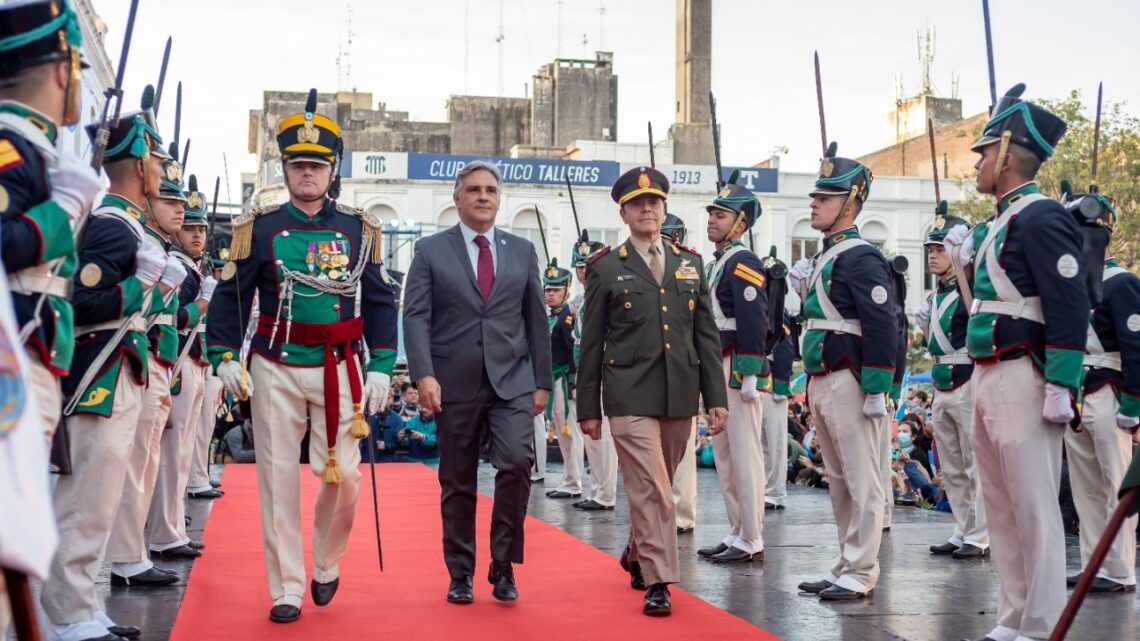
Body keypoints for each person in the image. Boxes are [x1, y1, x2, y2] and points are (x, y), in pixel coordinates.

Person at [206, 89, 399, 623]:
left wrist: (382, 366)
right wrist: (224, 354)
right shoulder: (260, 227)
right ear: (285, 168)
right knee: (277, 480)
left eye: (316, 165)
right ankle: (287, 586)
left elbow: (380, 301)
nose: (307, 173)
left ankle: (326, 561)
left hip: (341, 364)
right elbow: (231, 295)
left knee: (345, 477)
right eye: (298, 164)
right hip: (275, 363)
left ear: (332, 170)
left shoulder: (359, 228)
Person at [948, 84, 1081, 641]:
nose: (977, 163)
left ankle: (1043, 622)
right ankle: (1014, 613)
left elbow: (1069, 302)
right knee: (1001, 506)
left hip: (1023, 373)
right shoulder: (999, 223)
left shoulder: (1043, 216)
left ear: (1006, 154)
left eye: (983, 152)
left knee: (1033, 506)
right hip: (987, 371)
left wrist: (1062, 382)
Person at [45, 88, 169, 641]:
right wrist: (138, 286)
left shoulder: (128, 225)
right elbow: (81, 299)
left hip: (122, 366)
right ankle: (64, 611)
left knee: (101, 495)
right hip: (101, 369)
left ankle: (78, 605)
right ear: (139, 164)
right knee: (85, 497)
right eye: (157, 159)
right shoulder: (114, 225)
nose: (161, 170)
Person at [577, 166, 728, 616]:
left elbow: (706, 336)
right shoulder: (605, 267)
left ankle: (637, 550)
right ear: (623, 213)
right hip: (627, 393)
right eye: (637, 203)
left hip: (679, 392)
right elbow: (591, 344)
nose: (647, 209)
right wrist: (588, 407)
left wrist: (715, 398)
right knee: (655, 487)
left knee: (657, 484)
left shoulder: (690, 263)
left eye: (654, 202)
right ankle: (659, 580)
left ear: (663, 209)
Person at [402, 160, 552, 605]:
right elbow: (415, 316)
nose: (483, 196)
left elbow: (536, 319)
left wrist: (542, 381)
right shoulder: (430, 250)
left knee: (517, 463)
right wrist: (423, 374)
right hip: (452, 382)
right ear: (457, 198)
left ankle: (503, 562)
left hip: (512, 380)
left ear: (499, 199)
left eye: (490, 190)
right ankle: (461, 572)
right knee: (458, 480)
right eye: (473, 190)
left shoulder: (522, 250)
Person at [788, 143, 897, 601]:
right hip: (822, 377)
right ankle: (846, 562)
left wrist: (876, 388)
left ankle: (862, 569)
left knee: (862, 479)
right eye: (815, 196)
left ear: (850, 203)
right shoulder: (827, 256)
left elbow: (882, 324)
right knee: (839, 480)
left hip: (849, 379)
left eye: (825, 197)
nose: (814, 203)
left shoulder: (861, 256)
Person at [0, 0, 99, 448]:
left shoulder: (35, 149)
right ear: (65, 72)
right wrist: (61, 209)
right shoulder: (12, 147)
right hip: (15, 352)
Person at [105, 142, 189, 588]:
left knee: (148, 460)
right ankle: (126, 556)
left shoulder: (155, 244)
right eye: (170, 202)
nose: (179, 212)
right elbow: (132, 306)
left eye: (181, 204)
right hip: (139, 355)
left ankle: (136, 549)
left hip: (157, 359)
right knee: (135, 460)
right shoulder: (133, 236)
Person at [1060, 185, 1138, 594]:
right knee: (1086, 487)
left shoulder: (1122, 283)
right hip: (1078, 391)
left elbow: (1135, 344)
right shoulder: (1071, 285)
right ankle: (1094, 563)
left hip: (1110, 389)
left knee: (1115, 484)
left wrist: (1134, 402)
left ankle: (1120, 569)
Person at [144, 175, 217, 561]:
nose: (197, 235)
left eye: (201, 229)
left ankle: (173, 528)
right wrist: (203, 302)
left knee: (183, 452)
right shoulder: (176, 266)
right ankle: (164, 531)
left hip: (193, 360)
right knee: (172, 454)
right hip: (178, 361)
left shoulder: (193, 268)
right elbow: (179, 319)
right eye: (190, 228)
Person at [696, 180, 769, 564]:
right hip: (715, 364)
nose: (712, 219)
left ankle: (752, 536)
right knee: (724, 455)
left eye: (720, 214)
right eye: (711, 212)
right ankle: (738, 529)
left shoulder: (743, 262)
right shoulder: (716, 263)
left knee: (744, 455)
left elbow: (754, 318)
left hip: (735, 367)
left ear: (741, 224)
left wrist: (750, 371)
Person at [915, 210, 989, 560]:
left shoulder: (968, 291)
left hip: (967, 379)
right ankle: (962, 528)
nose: (932, 255)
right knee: (952, 466)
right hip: (941, 381)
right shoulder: (935, 297)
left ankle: (980, 534)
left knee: (975, 464)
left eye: (940, 249)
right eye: (930, 249)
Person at [567, 232, 618, 511]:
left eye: (589, 266)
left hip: (602, 367)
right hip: (586, 368)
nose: (584, 271)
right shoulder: (584, 299)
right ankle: (598, 489)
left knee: (604, 433)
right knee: (591, 434)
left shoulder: (606, 294)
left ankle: (606, 493)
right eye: (580, 267)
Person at [661, 216, 698, 532]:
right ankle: (659, 510)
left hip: (684, 368)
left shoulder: (690, 269)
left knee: (682, 450)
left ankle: (682, 514)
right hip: (651, 370)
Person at [540, 258, 584, 500]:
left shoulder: (568, 315)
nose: (550, 294)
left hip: (565, 380)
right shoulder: (550, 316)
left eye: (556, 290)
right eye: (548, 289)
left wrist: (573, 381)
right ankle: (569, 478)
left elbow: (572, 350)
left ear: (566, 291)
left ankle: (573, 482)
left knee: (570, 432)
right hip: (553, 379)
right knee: (561, 431)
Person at [763, 312, 796, 510]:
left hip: (773, 378)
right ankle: (764, 487)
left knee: (775, 440)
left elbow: (785, 342)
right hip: (758, 376)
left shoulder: (774, 304)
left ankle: (776, 491)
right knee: (761, 440)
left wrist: (781, 382)